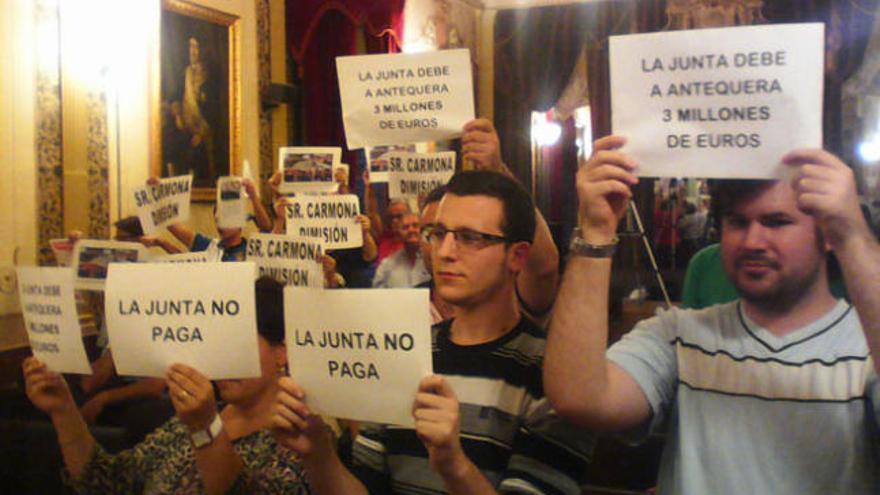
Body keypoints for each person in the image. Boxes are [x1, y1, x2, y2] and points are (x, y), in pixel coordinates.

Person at [544, 135, 880, 494]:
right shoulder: (681, 335)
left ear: (827, 233)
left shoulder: (864, 348)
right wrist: (594, 232)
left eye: (777, 221)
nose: (752, 240)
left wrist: (854, 237)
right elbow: (579, 398)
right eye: (737, 222)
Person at [272, 170, 593, 494]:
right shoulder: (404, 351)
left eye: (470, 237)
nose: (444, 252)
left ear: (517, 256)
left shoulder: (554, 375)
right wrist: (317, 453)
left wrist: (454, 465)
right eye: (438, 233)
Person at [23, 277, 310, 494]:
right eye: (217, 341)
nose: (223, 358)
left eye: (239, 342)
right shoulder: (188, 422)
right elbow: (107, 480)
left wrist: (205, 428)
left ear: (281, 352)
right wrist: (63, 410)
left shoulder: (297, 439)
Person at [154, 176, 272, 262]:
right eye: (217, 220)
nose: (220, 225)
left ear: (240, 221)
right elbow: (172, 225)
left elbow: (266, 228)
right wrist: (158, 193)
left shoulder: (251, 250)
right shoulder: (209, 246)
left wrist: (253, 196)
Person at [372, 212, 431, 288]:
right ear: (399, 233)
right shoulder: (386, 265)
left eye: (415, 226)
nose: (411, 230)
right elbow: (376, 295)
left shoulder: (433, 262)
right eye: (405, 227)